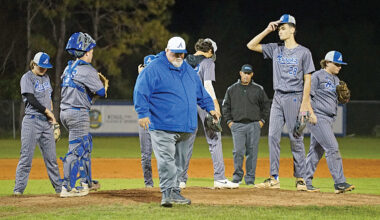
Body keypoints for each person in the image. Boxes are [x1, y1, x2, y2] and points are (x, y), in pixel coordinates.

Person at [133, 36, 219, 207]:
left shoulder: (187, 69)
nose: (179, 57)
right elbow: (140, 90)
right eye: (175, 54)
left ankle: (175, 192)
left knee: (180, 164)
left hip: (186, 126)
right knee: (167, 161)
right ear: (167, 51)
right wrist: (142, 113)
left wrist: (211, 108)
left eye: (181, 54)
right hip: (162, 125)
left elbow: (200, 93)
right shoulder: (154, 68)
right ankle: (166, 194)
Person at [247, 14, 317, 190]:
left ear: (293, 29)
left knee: (296, 137)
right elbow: (251, 45)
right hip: (278, 96)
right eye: (279, 28)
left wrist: (305, 103)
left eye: (283, 28)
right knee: (272, 136)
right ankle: (274, 177)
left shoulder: (304, 52)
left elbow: (308, 79)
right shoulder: (275, 49)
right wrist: (267, 29)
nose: (280, 31)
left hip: (295, 97)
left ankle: (300, 178)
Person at [179, 38, 238, 189]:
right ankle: (219, 178)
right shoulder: (208, 62)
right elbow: (207, 85)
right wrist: (215, 106)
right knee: (214, 138)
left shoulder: (184, 61)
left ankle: (180, 180)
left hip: (185, 102)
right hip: (203, 101)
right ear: (210, 51)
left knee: (186, 140)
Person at [59, 32, 106, 197]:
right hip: (77, 113)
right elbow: (101, 90)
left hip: (65, 111)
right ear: (86, 52)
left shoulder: (69, 67)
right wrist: (102, 85)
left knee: (85, 146)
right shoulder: (86, 69)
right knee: (76, 150)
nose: (92, 53)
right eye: (91, 50)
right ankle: (67, 187)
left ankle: (86, 182)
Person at [305, 51, 355, 193]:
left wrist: (344, 99)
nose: (339, 66)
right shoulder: (317, 76)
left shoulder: (336, 80)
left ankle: (305, 181)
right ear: (327, 63)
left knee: (316, 150)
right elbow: (307, 95)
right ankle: (339, 183)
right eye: (337, 64)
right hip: (317, 117)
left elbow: (341, 99)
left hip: (329, 118)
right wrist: (310, 114)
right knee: (332, 147)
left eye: (341, 64)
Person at [14, 52, 62, 195]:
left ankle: (59, 190)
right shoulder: (27, 78)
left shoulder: (46, 78)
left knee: (52, 159)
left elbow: (49, 98)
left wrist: (53, 118)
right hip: (32, 121)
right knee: (26, 157)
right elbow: (30, 99)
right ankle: (18, 191)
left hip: (46, 124)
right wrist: (47, 111)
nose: (44, 69)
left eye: (46, 67)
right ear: (33, 64)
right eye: (41, 67)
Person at [222, 64, 270, 186]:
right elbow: (225, 107)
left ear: (252, 75)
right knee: (238, 152)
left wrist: (262, 121)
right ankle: (237, 178)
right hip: (237, 125)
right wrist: (229, 122)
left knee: (252, 153)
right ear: (240, 73)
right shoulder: (231, 89)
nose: (246, 76)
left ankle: (249, 180)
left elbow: (266, 106)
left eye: (249, 74)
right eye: (245, 73)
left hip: (254, 125)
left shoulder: (258, 89)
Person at [137, 54, 157, 188]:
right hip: (145, 121)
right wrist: (141, 75)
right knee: (145, 155)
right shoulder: (141, 80)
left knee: (164, 154)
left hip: (158, 121)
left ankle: (167, 183)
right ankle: (148, 184)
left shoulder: (160, 79)